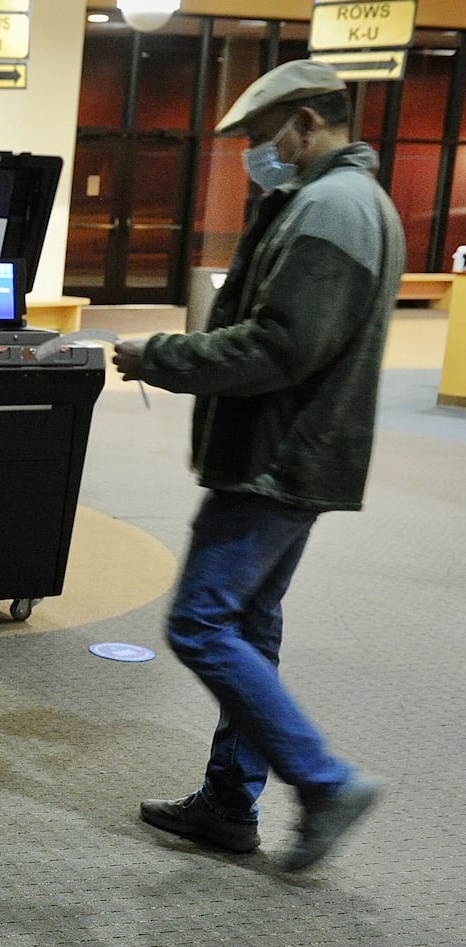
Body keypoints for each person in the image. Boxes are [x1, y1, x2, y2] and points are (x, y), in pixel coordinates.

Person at [112, 59, 402, 872]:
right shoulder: (347, 202)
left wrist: (158, 355)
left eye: (260, 135)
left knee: (200, 621)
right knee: (247, 620)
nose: (254, 152)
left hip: (276, 459)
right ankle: (230, 801)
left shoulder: (331, 210)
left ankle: (323, 780)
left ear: (307, 124)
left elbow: (282, 345)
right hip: (294, 454)